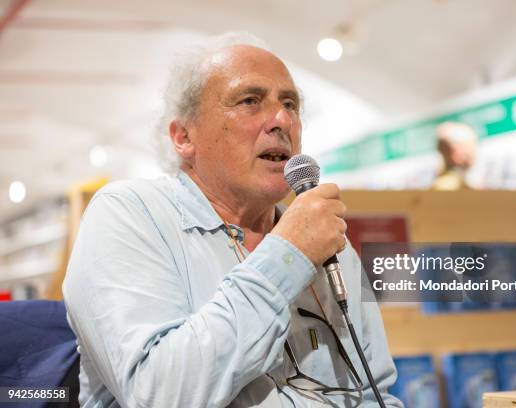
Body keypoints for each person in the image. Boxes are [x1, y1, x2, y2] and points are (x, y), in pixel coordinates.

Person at [63, 32, 402, 408]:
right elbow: (158, 394)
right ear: (183, 136)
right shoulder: (129, 214)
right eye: (250, 101)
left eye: (290, 104)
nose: (281, 120)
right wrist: (287, 255)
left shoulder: (326, 241)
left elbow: (375, 393)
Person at [431, 121, 478, 190]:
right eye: (471, 150)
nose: (474, 156)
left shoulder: (437, 186)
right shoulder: (455, 189)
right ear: (456, 155)